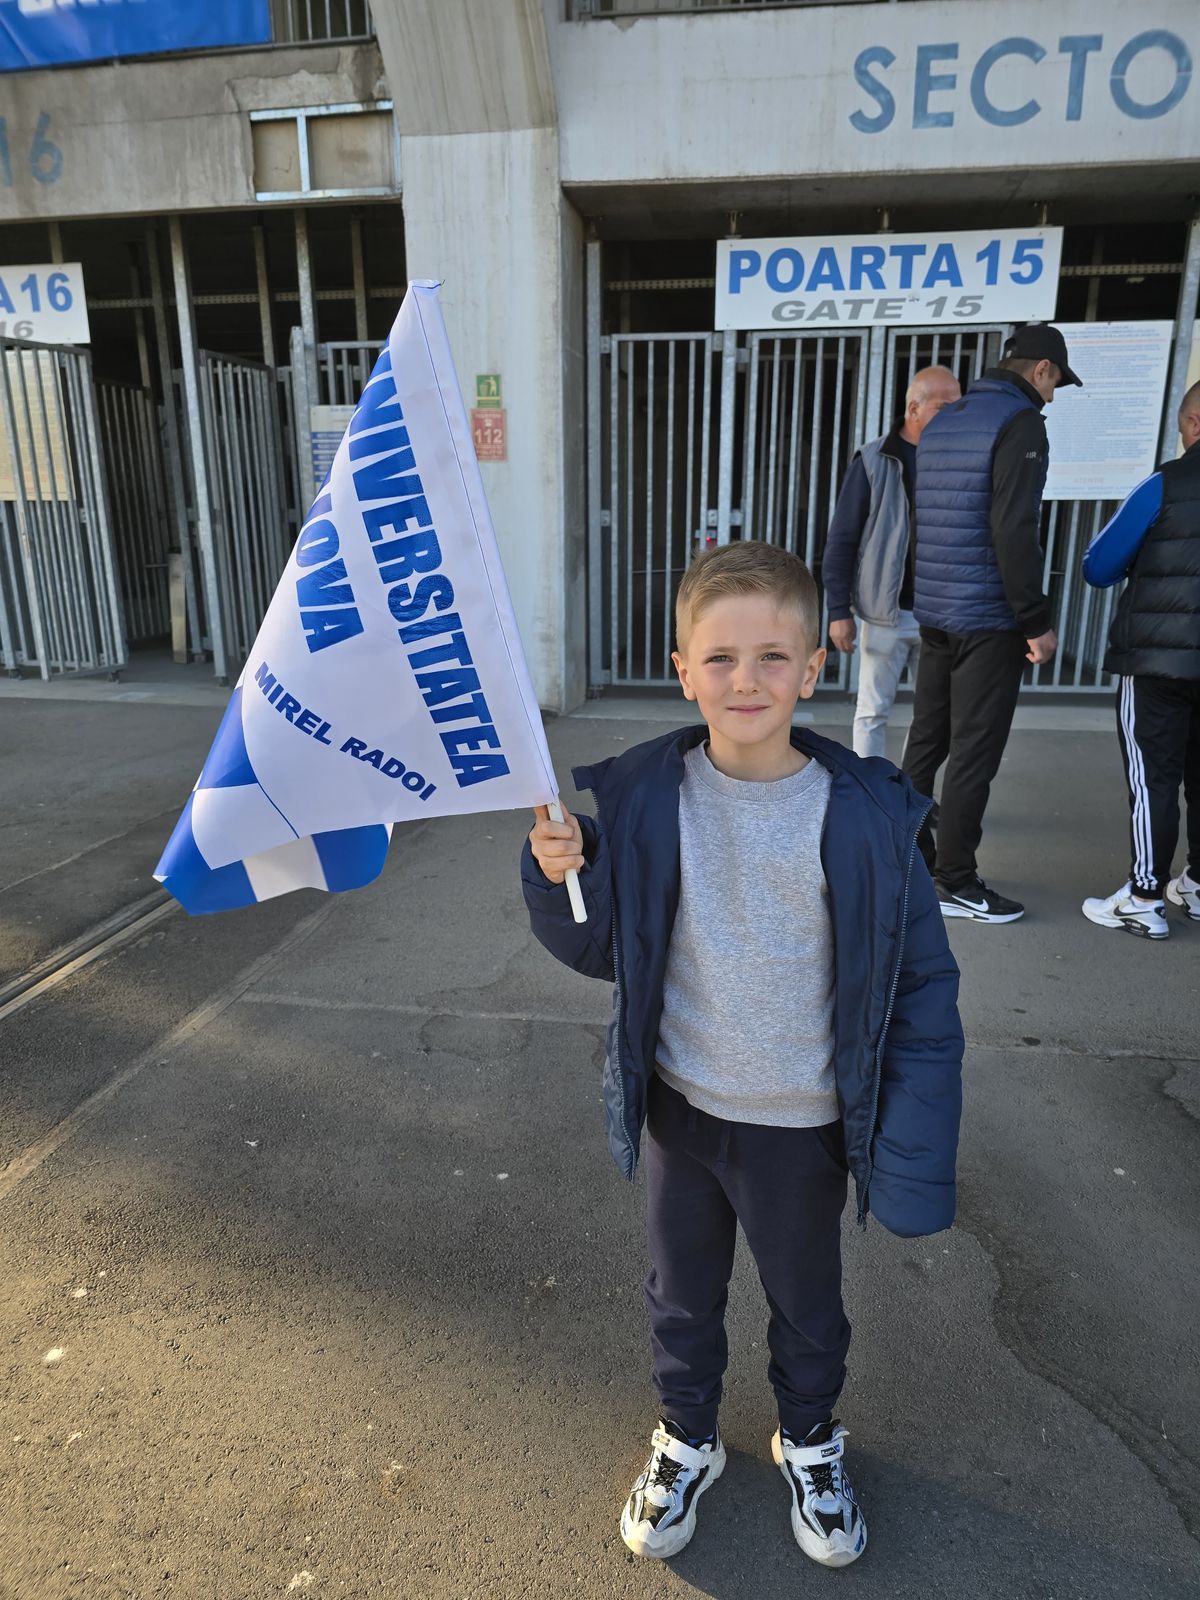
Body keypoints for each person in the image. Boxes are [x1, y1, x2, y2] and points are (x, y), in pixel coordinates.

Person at [521, 542, 963, 1571]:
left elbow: (923, 995)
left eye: (773, 656)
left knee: (808, 1305)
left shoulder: (866, 817)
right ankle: (686, 1436)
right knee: (681, 1298)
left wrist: (914, 1155)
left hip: (799, 1129)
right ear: (683, 668)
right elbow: (600, 946)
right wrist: (556, 873)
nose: (747, 680)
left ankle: (808, 1435)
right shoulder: (644, 801)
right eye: (720, 658)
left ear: (814, 669)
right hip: (682, 1112)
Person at [902, 323, 1082, 924]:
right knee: (975, 751)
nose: (1054, 395)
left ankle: (902, 857)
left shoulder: (945, 420)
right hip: (986, 617)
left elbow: (926, 518)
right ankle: (954, 879)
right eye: (1056, 383)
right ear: (1042, 371)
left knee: (927, 740)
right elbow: (1014, 529)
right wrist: (1035, 621)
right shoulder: (1022, 424)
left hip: (938, 611)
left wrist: (923, 593)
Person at [1079, 379, 1200, 939]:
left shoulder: (1163, 485)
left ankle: (1145, 898)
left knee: (1153, 776)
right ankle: (1196, 887)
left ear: (1191, 423)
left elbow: (1099, 565)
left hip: (1156, 661)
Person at [824, 366, 962, 758]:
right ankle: (872, 798)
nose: (955, 415)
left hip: (942, 615)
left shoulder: (960, 460)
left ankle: (916, 799)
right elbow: (842, 539)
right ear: (913, 408)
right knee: (871, 712)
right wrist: (839, 610)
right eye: (944, 407)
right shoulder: (873, 460)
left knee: (937, 716)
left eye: (959, 406)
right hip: (885, 614)